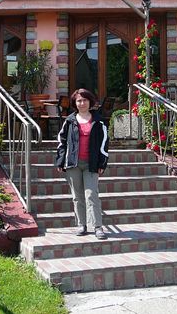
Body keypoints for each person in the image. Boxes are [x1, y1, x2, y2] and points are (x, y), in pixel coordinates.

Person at [55, 88, 109, 240]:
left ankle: (98, 227)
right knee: (77, 196)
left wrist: (102, 163)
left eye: (85, 100)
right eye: (79, 100)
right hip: (73, 164)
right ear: (75, 103)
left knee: (91, 195)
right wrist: (60, 161)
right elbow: (62, 142)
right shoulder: (69, 121)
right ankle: (82, 225)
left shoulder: (99, 121)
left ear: (90, 102)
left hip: (91, 163)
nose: (82, 103)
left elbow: (104, 144)